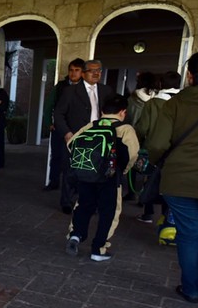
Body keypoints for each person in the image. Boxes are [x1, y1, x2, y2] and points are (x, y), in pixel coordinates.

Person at [146, 49, 198, 303]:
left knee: (189, 233)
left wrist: (160, 162)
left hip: (179, 179)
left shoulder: (174, 104)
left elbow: (158, 143)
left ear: (190, 76)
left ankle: (191, 288)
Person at [65, 95, 139, 261]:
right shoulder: (126, 129)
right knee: (109, 213)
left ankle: (75, 235)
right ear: (123, 112)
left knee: (83, 206)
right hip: (110, 179)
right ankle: (98, 249)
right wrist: (123, 171)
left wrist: (85, 163)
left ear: (102, 111)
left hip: (87, 175)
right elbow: (132, 155)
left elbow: (71, 144)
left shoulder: (92, 125)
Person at [54, 59, 114, 214]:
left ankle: (88, 202)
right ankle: (66, 202)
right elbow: (59, 114)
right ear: (84, 73)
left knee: (94, 171)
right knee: (70, 170)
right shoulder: (70, 91)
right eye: (92, 70)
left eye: (99, 70)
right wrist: (67, 133)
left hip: (98, 138)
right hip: (75, 137)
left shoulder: (106, 91)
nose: (96, 73)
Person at [134, 71, 181, 224]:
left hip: (154, 148)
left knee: (150, 179)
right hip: (177, 151)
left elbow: (142, 128)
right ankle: (167, 216)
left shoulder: (153, 104)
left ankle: (148, 213)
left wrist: (137, 142)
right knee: (170, 184)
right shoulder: (184, 103)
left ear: (160, 84)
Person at [43, 58, 85, 191]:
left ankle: (74, 186)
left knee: (77, 158)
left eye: (77, 70)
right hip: (59, 128)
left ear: (82, 72)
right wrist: (49, 123)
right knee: (56, 156)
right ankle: (53, 182)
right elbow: (49, 105)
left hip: (77, 129)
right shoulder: (60, 86)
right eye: (71, 70)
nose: (73, 73)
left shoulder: (86, 88)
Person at [122, 71, 157, 201]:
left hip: (135, 133)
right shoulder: (157, 100)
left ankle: (132, 192)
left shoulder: (132, 99)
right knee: (149, 164)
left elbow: (128, 117)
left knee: (133, 162)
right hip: (152, 136)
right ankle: (145, 192)